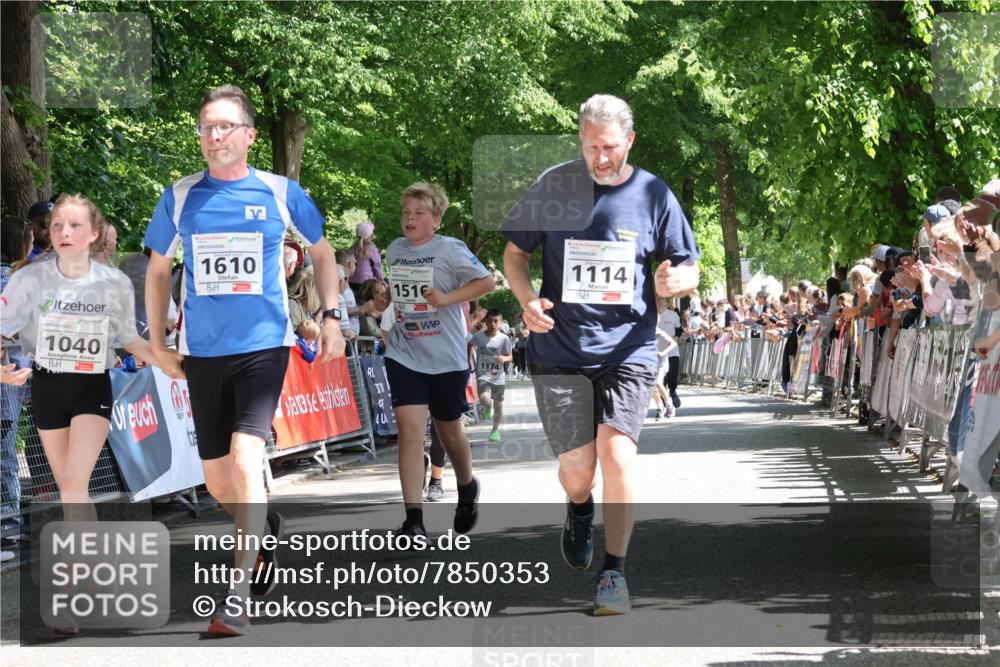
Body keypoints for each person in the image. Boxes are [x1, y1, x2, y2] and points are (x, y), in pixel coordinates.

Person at [143, 85, 346, 637]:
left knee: (242, 456)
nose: (214, 136)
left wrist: (332, 317)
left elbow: (324, 253)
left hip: (263, 345)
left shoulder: (281, 192)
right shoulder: (181, 196)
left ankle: (236, 597)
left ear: (249, 135)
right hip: (202, 352)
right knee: (216, 483)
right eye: (207, 127)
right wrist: (158, 341)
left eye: (225, 126)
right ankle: (264, 529)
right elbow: (158, 269)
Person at [501, 94, 700, 615]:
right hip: (561, 347)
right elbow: (515, 254)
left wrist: (678, 279)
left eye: (609, 146)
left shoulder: (653, 192)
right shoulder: (554, 185)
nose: (601, 157)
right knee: (576, 470)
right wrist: (526, 302)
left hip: (629, 347)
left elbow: (689, 263)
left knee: (617, 456)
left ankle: (614, 573)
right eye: (591, 146)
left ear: (629, 140)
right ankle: (578, 506)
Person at [1, 195, 158, 632]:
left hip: (92, 388)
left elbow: (129, 338)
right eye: (57, 227)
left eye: (74, 226)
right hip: (48, 388)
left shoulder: (112, 283)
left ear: (93, 234)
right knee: (76, 492)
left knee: (72, 486)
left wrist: (165, 360)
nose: (64, 234)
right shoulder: (29, 280)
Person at [383, 181, 495, 541]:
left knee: (448, 431)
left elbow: (487, 283)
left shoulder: (450, 248)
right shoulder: (395, 250)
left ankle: (466, 488)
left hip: (446, 356)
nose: (410, 219)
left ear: (437, 219)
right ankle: (413, 520)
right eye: (405, 213)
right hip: (406, 353)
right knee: (410, 435)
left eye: (418, 213)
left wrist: (447, 298)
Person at [469, 308, 513, 442]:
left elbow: (510, 356)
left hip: (498, 376)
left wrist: (504, 359)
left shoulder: (504, 339)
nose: (493, 324)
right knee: (483, 398)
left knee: (498, 406)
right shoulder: (479, 337)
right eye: (490, 321)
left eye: (496, 321)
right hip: (483, 374)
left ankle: (495, 430)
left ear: (500, 323)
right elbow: (469, 343)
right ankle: (487, 407)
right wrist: (469, 360)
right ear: (486, 322)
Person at [348, 220, 385, 293]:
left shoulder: (352, 248)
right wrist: (382, 281)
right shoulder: (372, 248)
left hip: (351, 282)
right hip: (366, 284)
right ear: (371, 235)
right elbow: (377, 266)